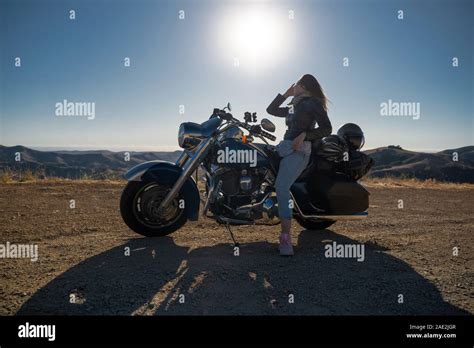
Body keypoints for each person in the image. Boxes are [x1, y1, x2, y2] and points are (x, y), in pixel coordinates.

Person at [266, 74, 332, 256]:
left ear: (303, 86)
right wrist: (285, 95)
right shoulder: (294, 105)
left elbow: (327, 128)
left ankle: (286, 238)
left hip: (300, 150)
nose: (294, 87)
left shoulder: (313, 103)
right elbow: (270, 110)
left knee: (281, 186)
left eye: (297, 85)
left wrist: (305, 135)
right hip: (285, 146)